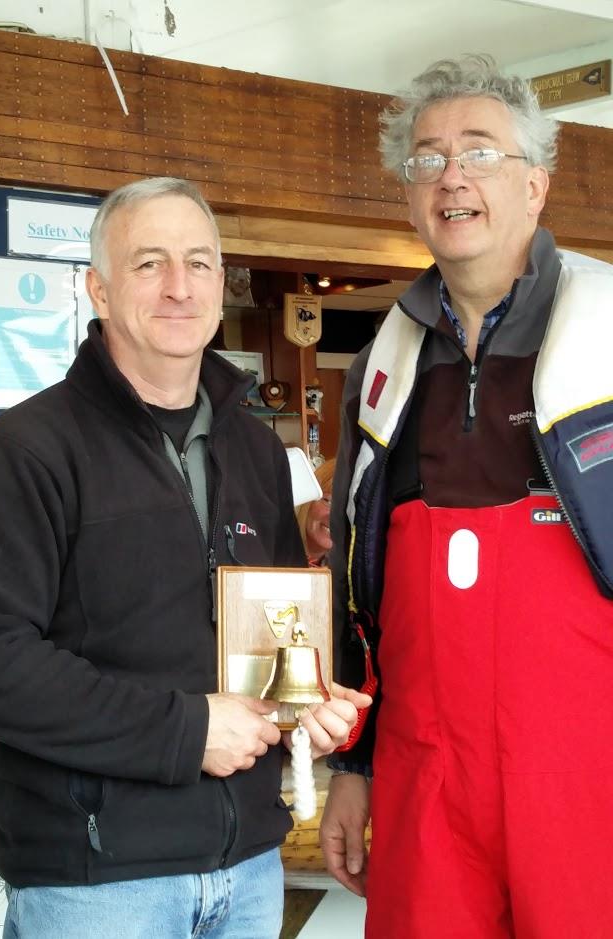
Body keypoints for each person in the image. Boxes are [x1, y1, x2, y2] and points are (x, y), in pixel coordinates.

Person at [0, 177, 370, 939]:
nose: (179, 287)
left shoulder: (257, 452)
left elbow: (267, 637)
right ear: (98, 289)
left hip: (248, 870)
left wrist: (307, 706)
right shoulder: (27, 450)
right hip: (97, 883)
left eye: (199, 263)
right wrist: (185, 730)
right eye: (150, 264)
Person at [320, 55, 613, 938]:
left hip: (587, 777)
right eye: (427, 158)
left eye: (479, 153)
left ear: (536, 183)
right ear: (411, 197)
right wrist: (354, 765)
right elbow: (356, 594)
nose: (451, 176)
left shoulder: (606, 328)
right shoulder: (382, 367)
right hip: (426, 780)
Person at [295, 458, 335, 566]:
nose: (335, 517)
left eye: (345, 509)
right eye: (328, 501)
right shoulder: (271, 551)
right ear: (308, 499)